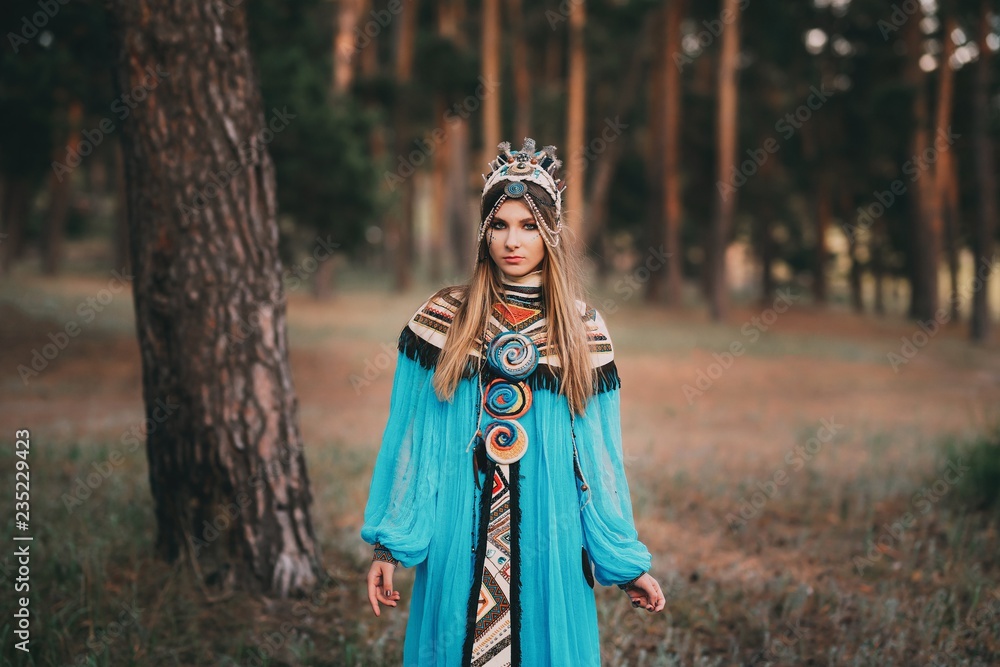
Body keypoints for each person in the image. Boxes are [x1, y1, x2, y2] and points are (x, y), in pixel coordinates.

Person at [361, 138, 666, 666]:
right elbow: (413, 439)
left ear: (550, 234)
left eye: (528, 226)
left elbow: (597, 459)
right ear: (483, 232)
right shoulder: (444, 318)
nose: (512, 240)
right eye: (500, 224)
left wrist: (622, 560)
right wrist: (392, 543)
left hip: (552, 531)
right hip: (457, 523)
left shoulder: (582, 329)